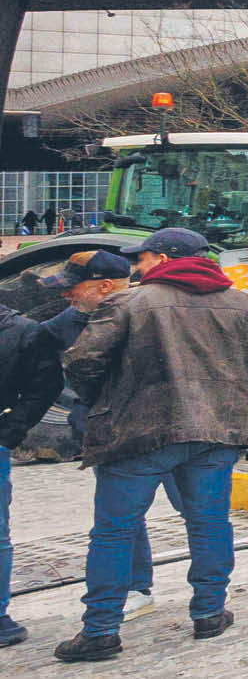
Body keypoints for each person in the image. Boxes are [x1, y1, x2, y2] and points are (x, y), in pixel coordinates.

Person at [53, 228, 248, 662]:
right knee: (210, 523)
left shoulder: (127, 303)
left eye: (139, 260)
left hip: (140, 435)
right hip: (216, 433)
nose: (135, 268)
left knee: (113, 531)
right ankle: (210, 612)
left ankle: (101, 629)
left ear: (162, 258)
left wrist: (103, 402)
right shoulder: (246, 305)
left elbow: (83, 362)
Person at [36, 252, 169, 624]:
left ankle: (210, 602)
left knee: (199, 514)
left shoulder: (160, 309)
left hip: (170, 427)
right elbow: (34, 360)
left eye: (71, 288)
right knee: (122, 518)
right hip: (112, 433)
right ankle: (136, 588)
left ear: (105, 286)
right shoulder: (68, 323)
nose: (65, 296)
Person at [0, 272, 66, 647]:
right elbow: (46, 387)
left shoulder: (24, 332)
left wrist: (11, 431)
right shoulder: (26, 331)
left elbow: (45, 387)